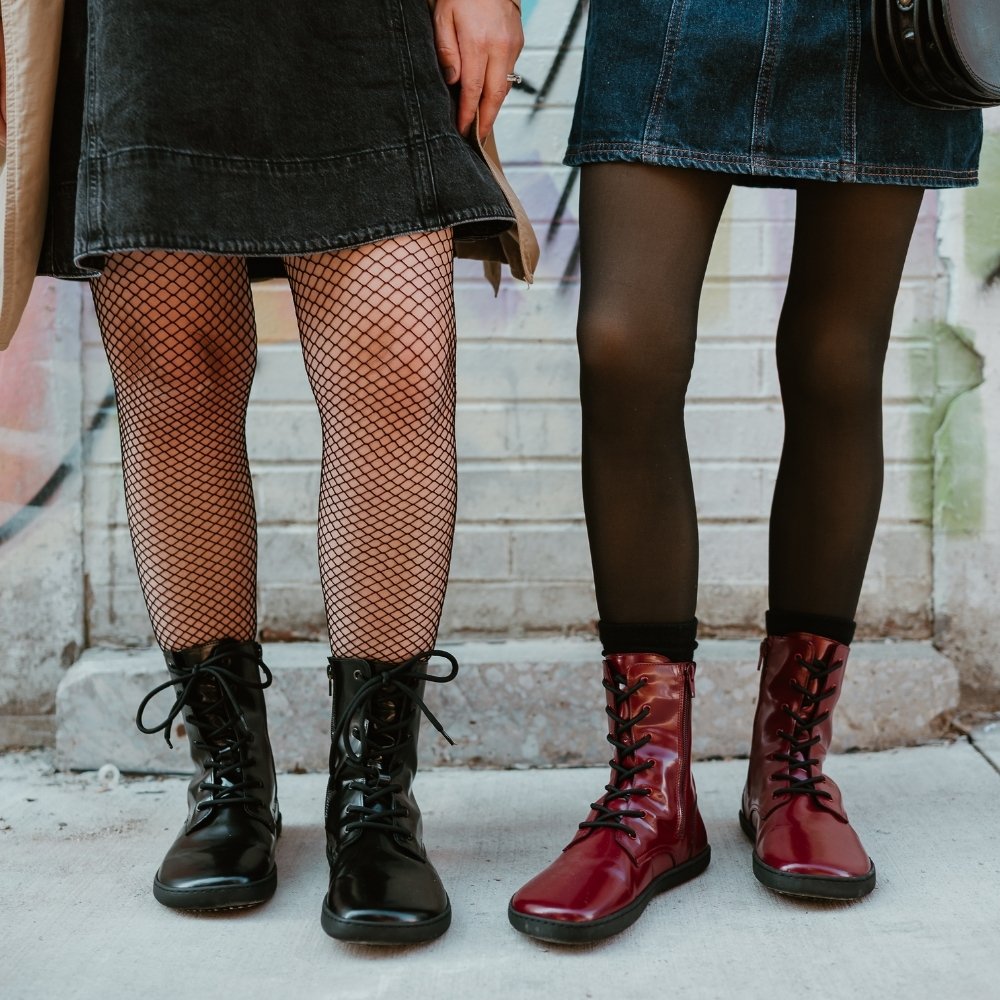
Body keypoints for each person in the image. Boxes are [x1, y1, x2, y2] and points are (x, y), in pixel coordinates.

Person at [19, 0, 528, 945]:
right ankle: (228, 782)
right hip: (146, 32)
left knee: (396, 367)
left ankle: (376, 796)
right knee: (177, 382)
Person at [507, 0, 983, 944]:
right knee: (622, 348)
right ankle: (652, 792)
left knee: (835, 361)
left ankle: (790, 767)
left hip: (878, 24)